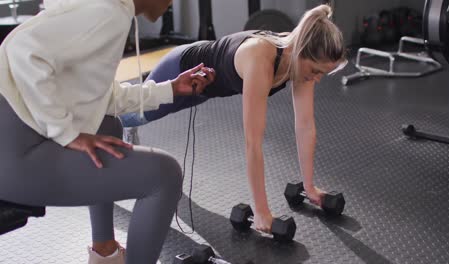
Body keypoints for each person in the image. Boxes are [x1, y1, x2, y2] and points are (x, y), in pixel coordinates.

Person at [0, 0, 215, 263]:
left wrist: (170, 88)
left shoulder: (107, 8)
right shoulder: (110, 13)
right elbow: (23, 50)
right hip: (14, 159)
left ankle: (105, 253)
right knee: (164, 175)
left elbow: (103, 96)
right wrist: (67, 133)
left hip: (15, 145)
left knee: (107, 123)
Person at [121, 4, 347, 234]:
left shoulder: (301, 59)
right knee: (130, 116)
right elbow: (253, 142)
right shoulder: (261, 58)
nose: (317, 79)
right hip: (183, 70)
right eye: (317, 71)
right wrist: (261, 211)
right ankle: (101, 104)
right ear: (302, 51)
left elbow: (305, 126)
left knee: (138, 116)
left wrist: (310, 187)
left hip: (206, 88)